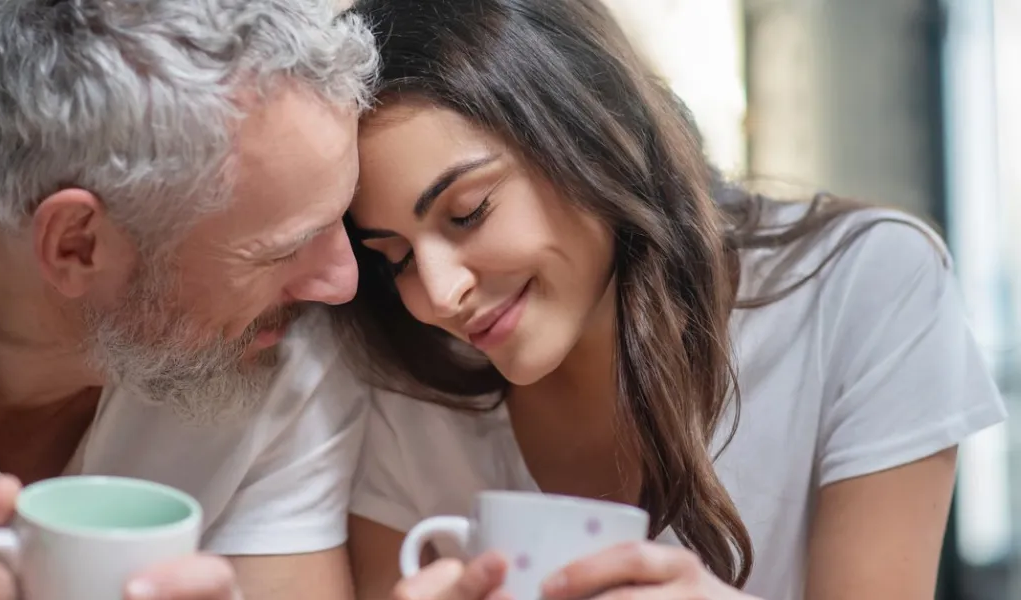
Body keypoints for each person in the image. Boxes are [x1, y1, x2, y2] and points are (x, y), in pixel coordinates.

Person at [334, 0, 1008, 598]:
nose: (442, 295)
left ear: (587, 130)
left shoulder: (863, 286)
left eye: (469, 212)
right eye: (395, 258)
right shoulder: (406, 386)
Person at [0, 0, 378, 598]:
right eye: (281, 250)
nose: (343, 283)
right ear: (77, 245)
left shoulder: (277, 343)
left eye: (338, 217)